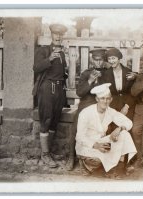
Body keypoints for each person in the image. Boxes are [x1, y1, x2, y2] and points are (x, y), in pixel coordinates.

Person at [75, 83, 137, 179]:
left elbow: (128, 122)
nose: (105, 101)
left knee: (124, 134)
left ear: (111, 99)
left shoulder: (110, 111)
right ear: (97, 99)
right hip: (87, 146)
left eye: (108, 98)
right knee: (97, 160)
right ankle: (85, 165)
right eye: (102, 98)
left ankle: (113, 169)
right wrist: (96, 145)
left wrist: (120, 128)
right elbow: (79, 137)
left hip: (102, 143)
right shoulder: (86, 112)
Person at [65, 48, 110, 170]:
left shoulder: (108, 72)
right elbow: (80, 93)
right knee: (75, 128)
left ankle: (106, 158)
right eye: (96, 60)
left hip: (102, 105)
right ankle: (71, 157)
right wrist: (90, 80)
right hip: (87, 103)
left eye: (101, 60)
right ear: (92, 60)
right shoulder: (86, 73)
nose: (98, 63)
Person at [32, 24, 68, 168]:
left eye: (60, 34)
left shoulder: (63, 52)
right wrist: (49, 59)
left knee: (55, 121)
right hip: (47, 88)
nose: (58, 37)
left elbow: (61, 72)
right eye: (55, 34)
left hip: (59, 88)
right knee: (46, 120)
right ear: (51, 35)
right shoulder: (44, 50)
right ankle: (45, 155)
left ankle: (49, 152)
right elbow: (36, 68)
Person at [101, 48, 137, 121]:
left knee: (126, 125)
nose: (111, 61)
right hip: (112, 105)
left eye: (113, 58)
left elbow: (133, 93)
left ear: (119, 58)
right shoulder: (106, 74)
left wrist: (126, 107)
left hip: (127, 104)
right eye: (109, 59)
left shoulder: (128, 72)